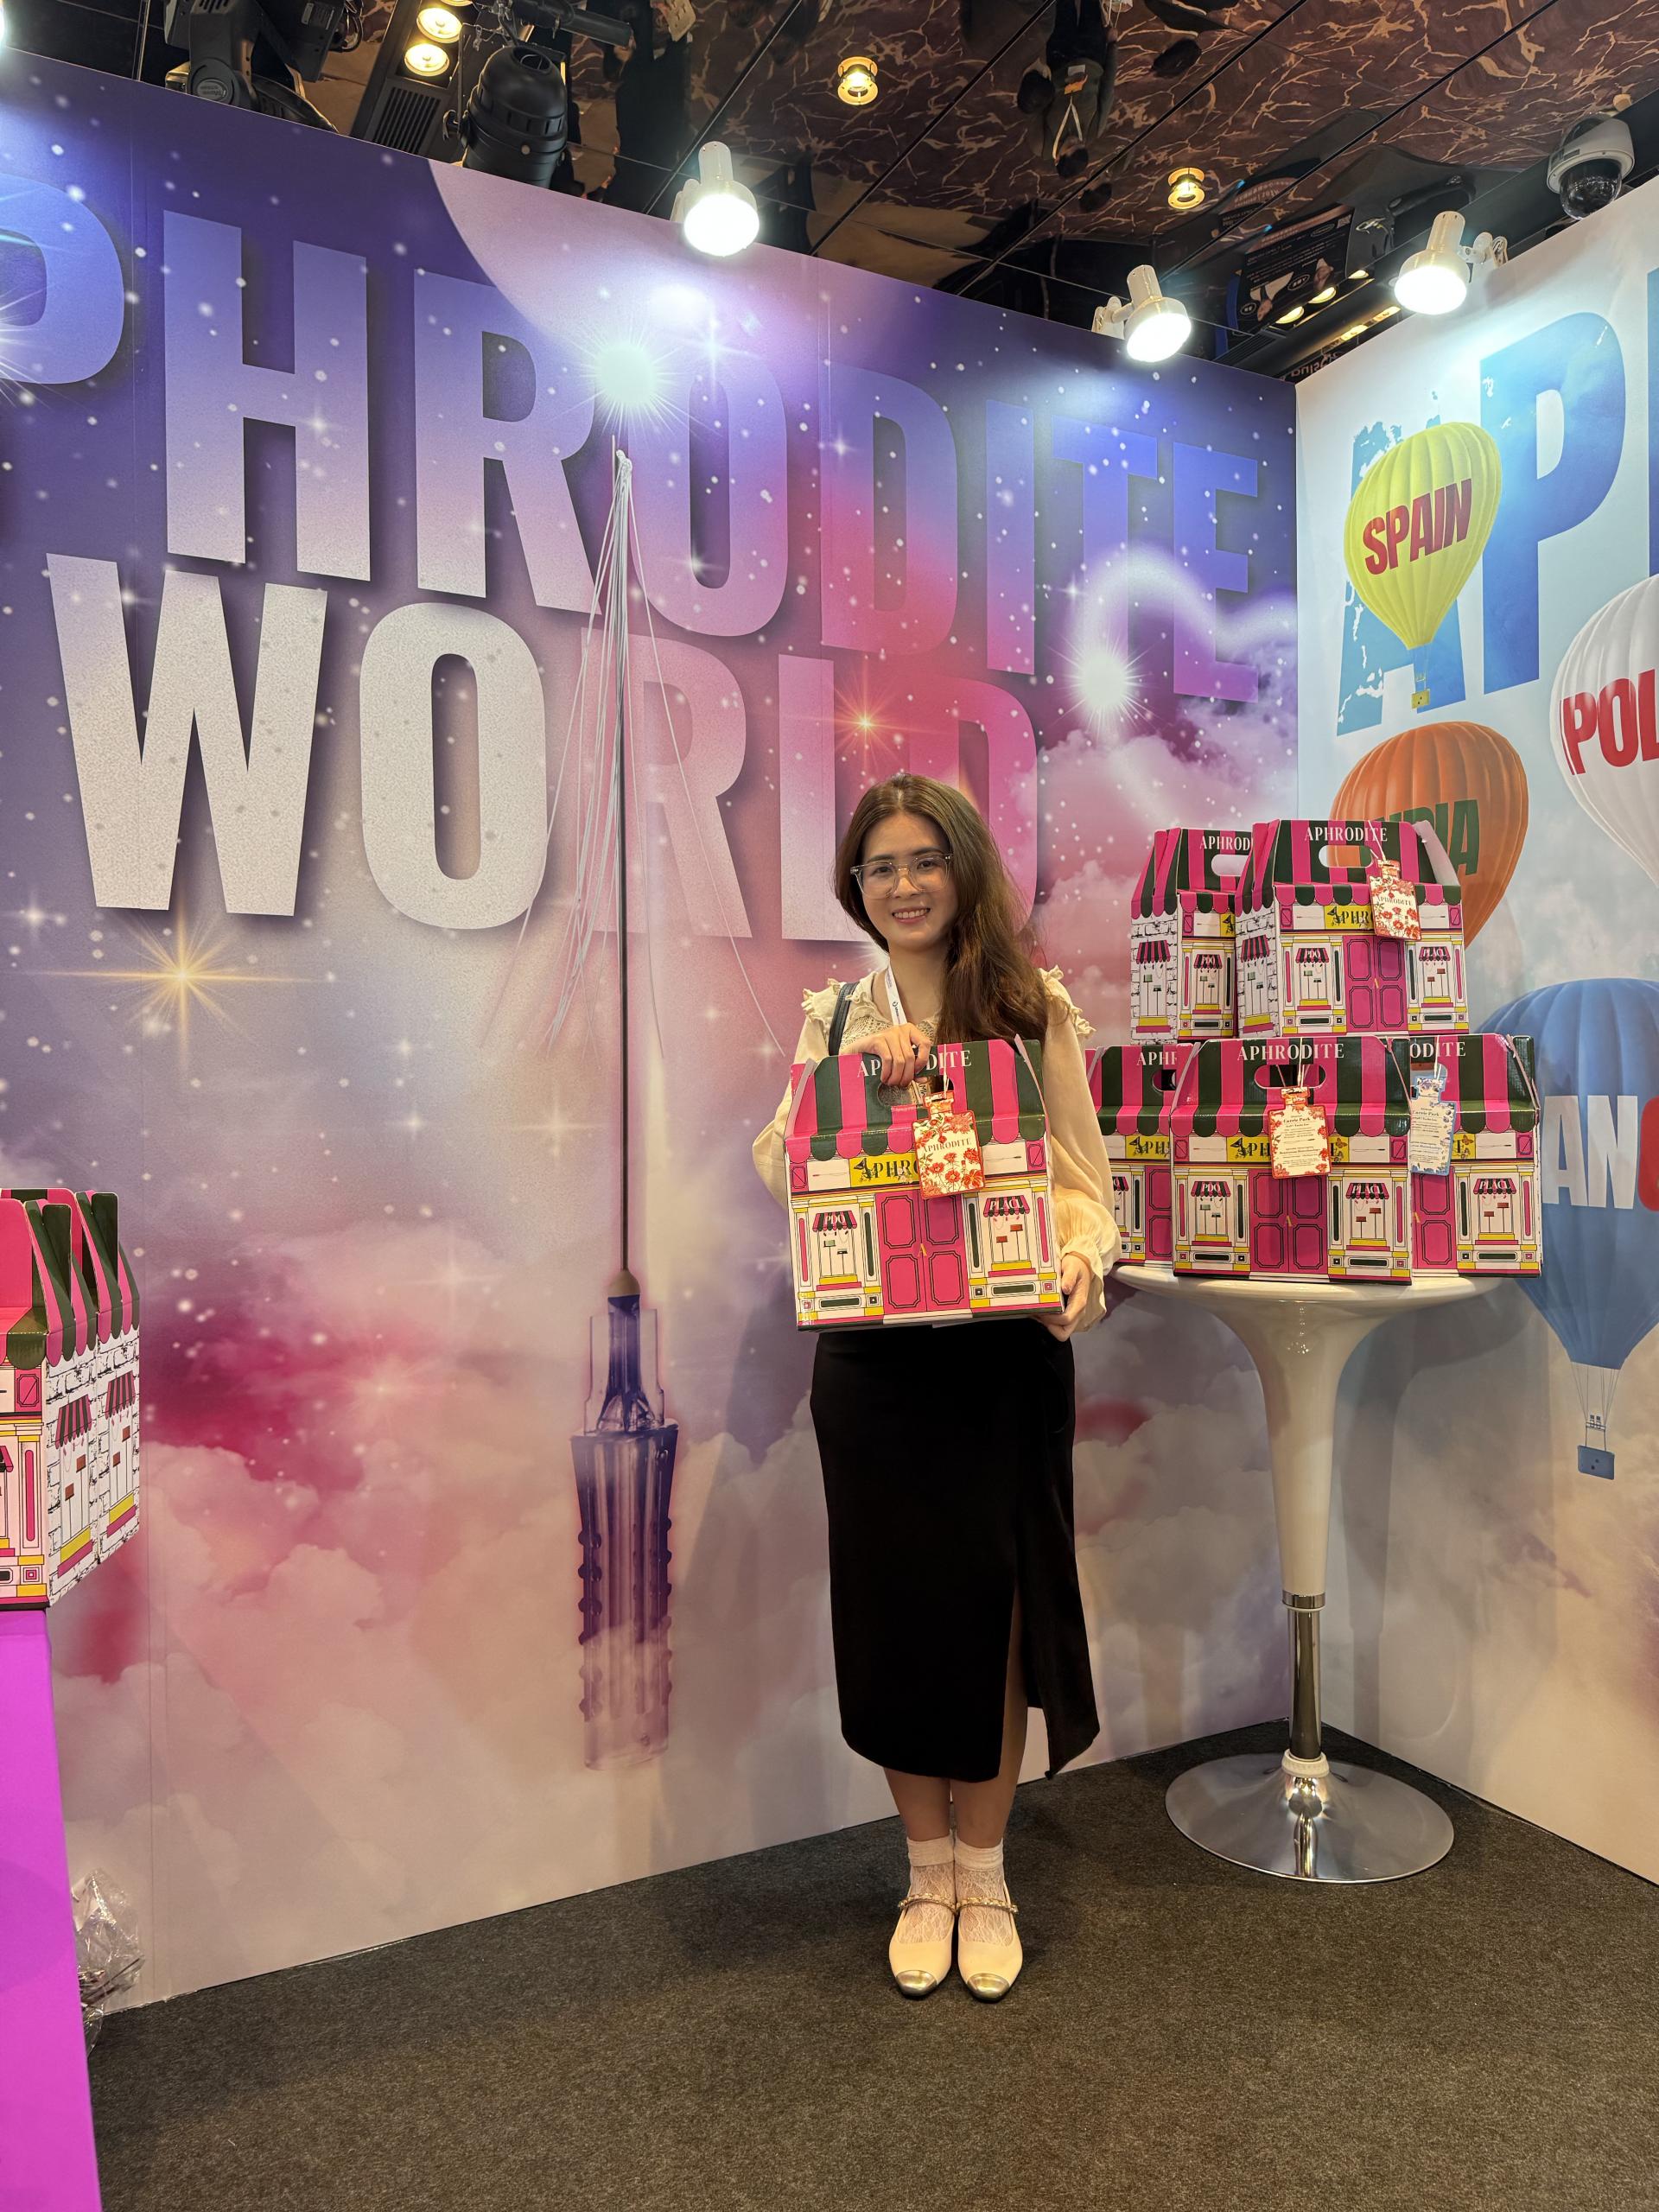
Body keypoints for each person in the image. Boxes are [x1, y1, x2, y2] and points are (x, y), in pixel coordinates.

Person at [752, 773, 1120, 2002]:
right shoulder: (833, 1017)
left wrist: (1076, 1267)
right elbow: (783, 1170)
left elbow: (1085, 1189)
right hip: (874, 1365)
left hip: (1000, 1358)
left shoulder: (1027, 1008)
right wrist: (851, 1079)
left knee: (993, 1616)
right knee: (894, 1616)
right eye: (880, 867)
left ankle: (988, 1873)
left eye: (925, 859)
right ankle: (925, 1876)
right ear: (854, 887)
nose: (904, 885)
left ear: (964, 866)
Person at [1017, 0, 1120, 180]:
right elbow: (1107, 90)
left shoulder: (1041, 144)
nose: (1075, 139)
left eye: (1070, 145)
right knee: (1092, 7)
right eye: (1080, 143)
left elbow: (1034, 102)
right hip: (1092, 57)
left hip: (1060, 59)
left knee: (1063, 7)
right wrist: (1112, 46)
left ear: (1058, 158)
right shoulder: (1093, 132)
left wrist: (1060, 86)